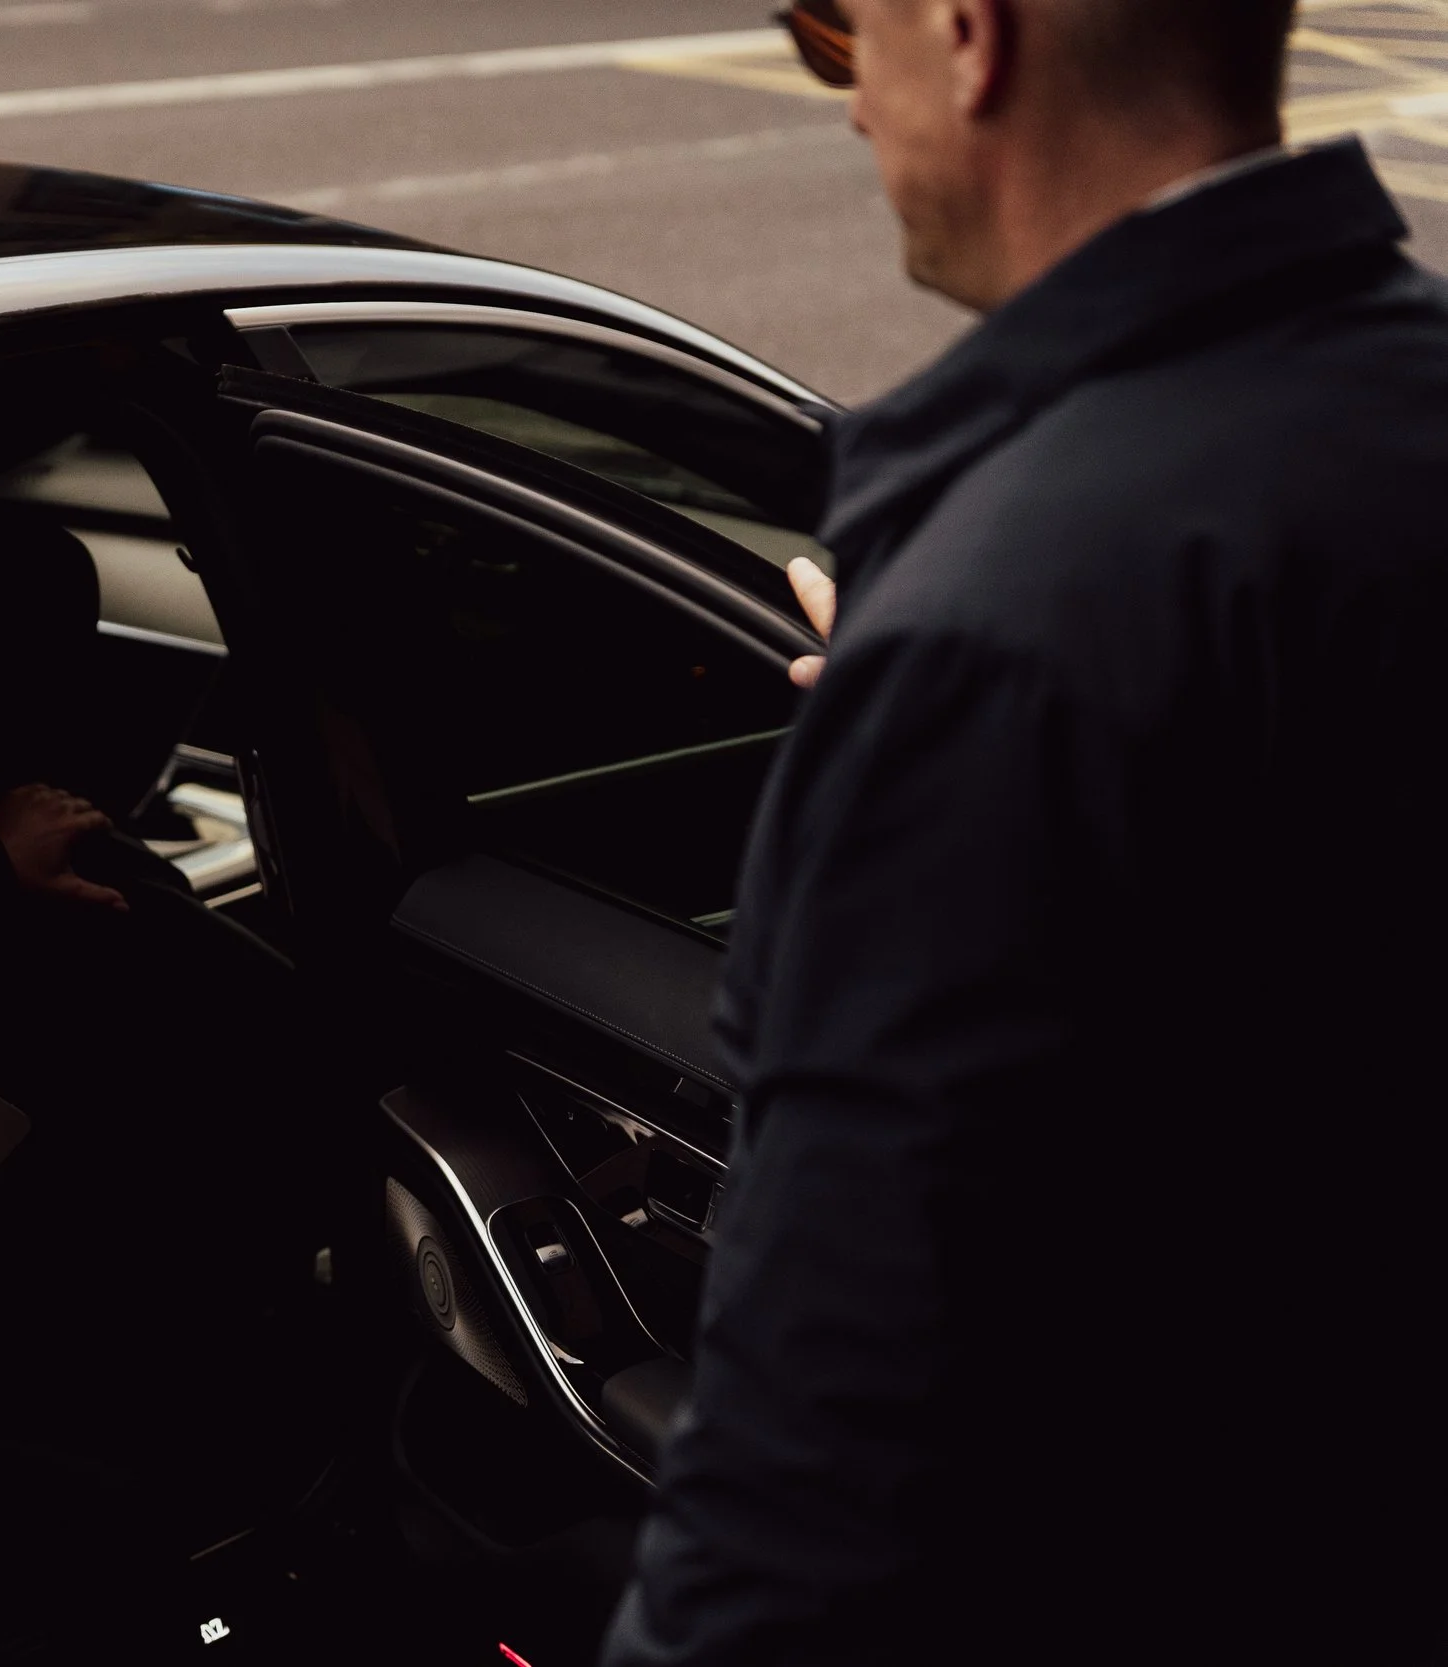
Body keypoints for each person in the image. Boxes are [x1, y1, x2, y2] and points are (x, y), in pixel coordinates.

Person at [605, 3, 1445, 1663]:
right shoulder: (1390, 416)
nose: (847, 102)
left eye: (845, 30)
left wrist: (943, 705)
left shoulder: (1002, 637)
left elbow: (821, 1463)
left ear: (969, 35)